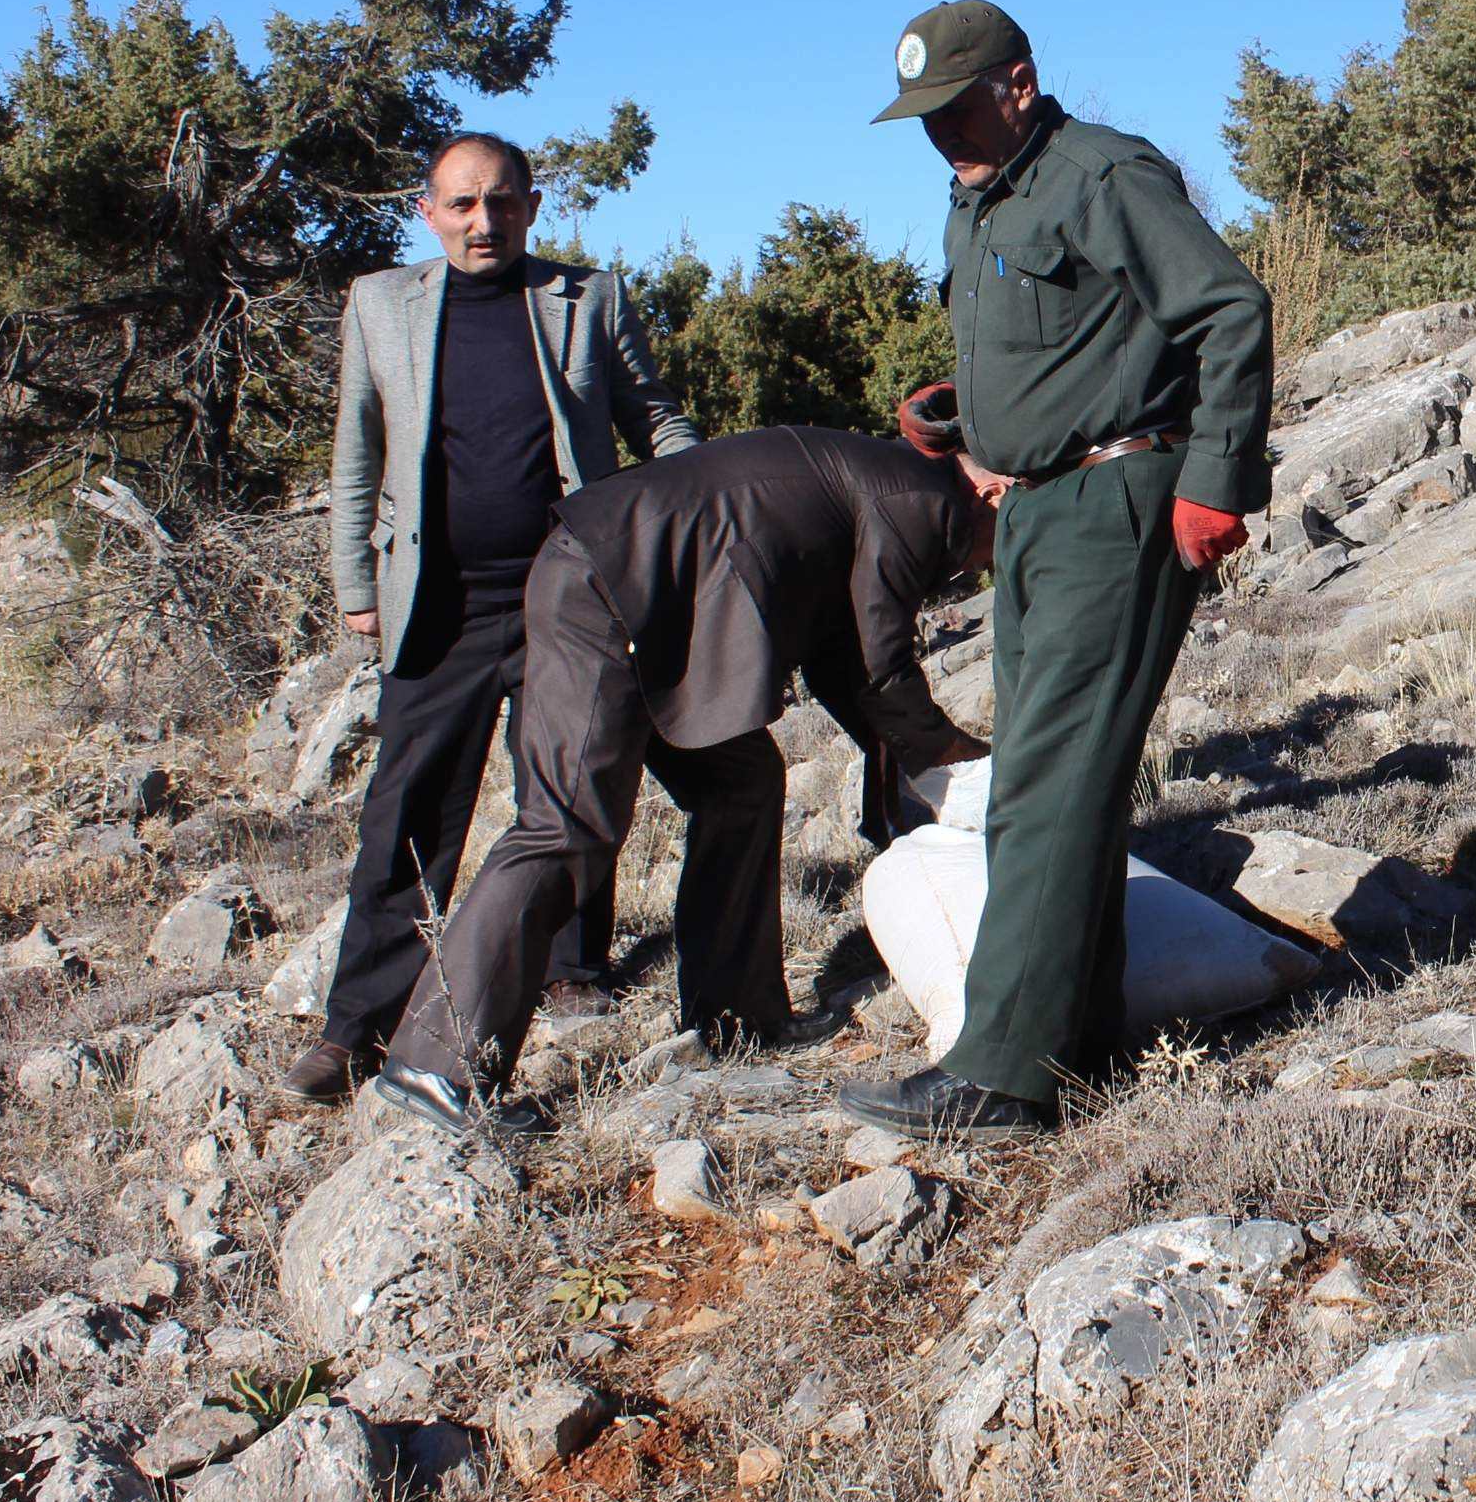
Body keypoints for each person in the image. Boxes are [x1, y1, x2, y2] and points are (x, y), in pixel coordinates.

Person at [837, 0, 1273, 1142]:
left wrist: (1217, 479)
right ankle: (1073, 1035)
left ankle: (1001, 1077)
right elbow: (1061, 347)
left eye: (958, 106)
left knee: (1043, 784)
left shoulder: (1100, 174)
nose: (942, 133)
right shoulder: (978, 203)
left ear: (1019, 83)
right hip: (1034, 510)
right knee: (1046, 778)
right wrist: (968, 427)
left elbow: (1230, 312)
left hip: (1117, 501)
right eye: (924, 117)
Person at [373, 427, 995, 1134]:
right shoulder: (925, 499)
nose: (979, 572)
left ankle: (737, 1017)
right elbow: (883, 665)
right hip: (606, 588)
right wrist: (956, 757)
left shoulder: (896, 482)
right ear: (992, 493)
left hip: (657, 602)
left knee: (743, 781)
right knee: (565, 828)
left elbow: (842, 657)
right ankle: (438, 1065)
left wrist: (917, 766)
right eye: (996, 547)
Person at [281, 132, 699, 1106]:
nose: (483, 222)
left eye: (502, 202)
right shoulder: (380, 305)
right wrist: (354, 587)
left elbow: (657, 419)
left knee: (564, 792)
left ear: (532, 206)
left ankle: (569, 971)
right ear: (426, 212)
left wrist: (694, 502)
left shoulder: (588, 300)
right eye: (462, 204)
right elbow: (354, 455)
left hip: (567, 594)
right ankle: (360, 1026)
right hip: (440, 601)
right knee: (407, 811)